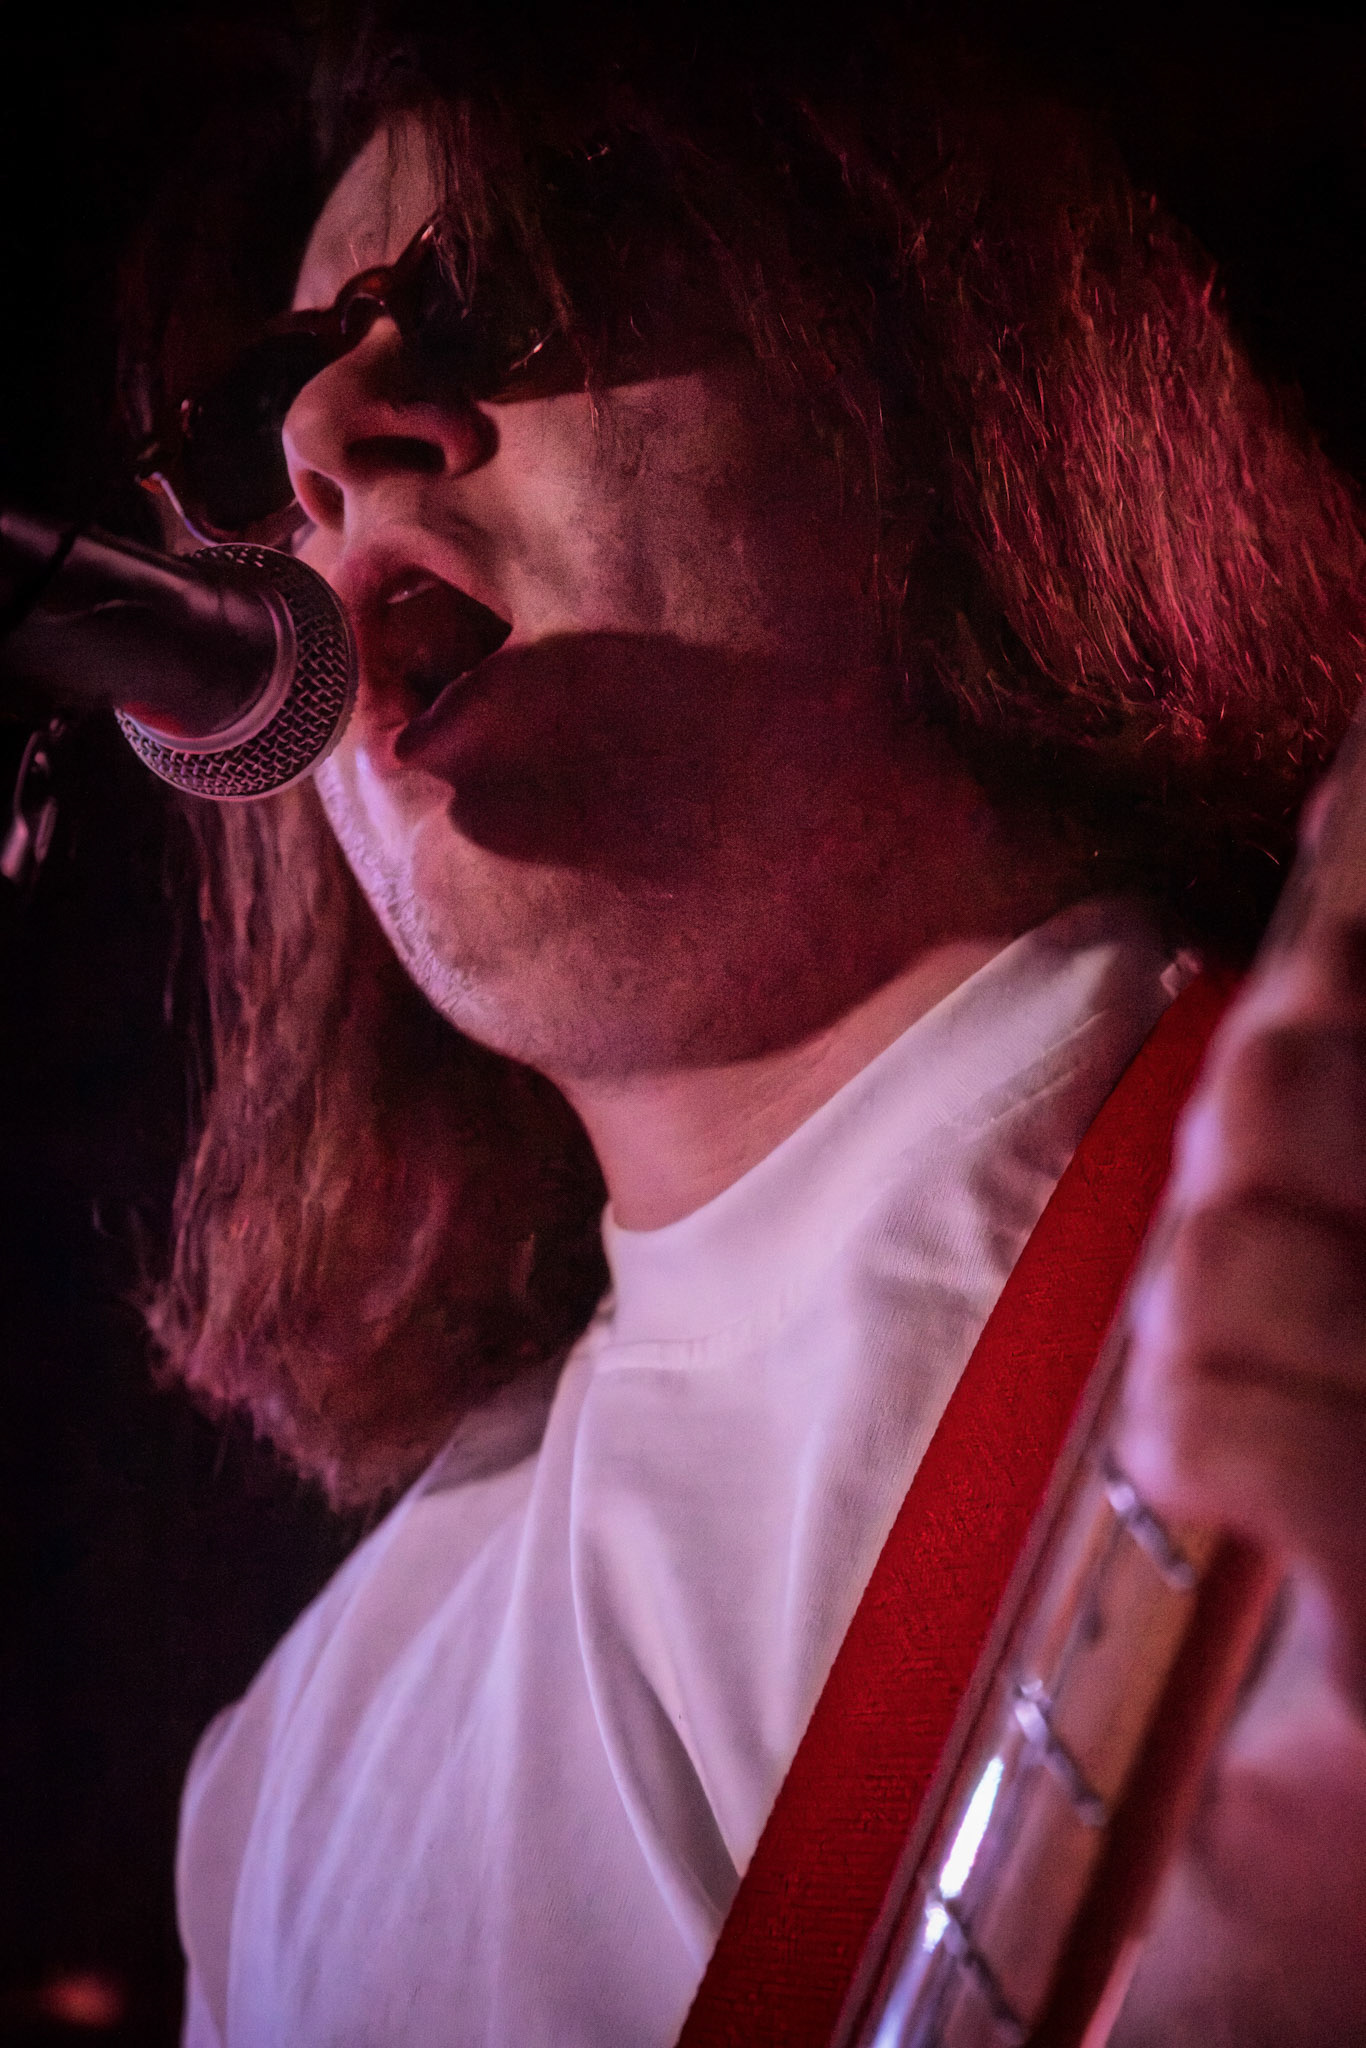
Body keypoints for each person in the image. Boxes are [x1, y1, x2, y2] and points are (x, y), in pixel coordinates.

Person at [130, 7, 1366, 2042]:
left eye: (500, 284)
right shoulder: (277, 1780)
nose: (329, 440)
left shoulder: (1309, 1260)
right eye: (262, 409)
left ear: (916, 360)